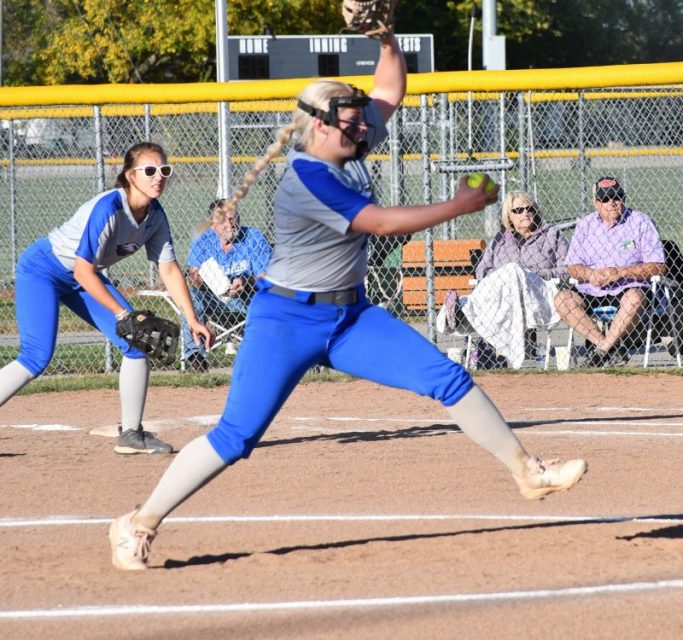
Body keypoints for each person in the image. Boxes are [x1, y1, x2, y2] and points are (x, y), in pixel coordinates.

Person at [109, 33, 586, 571]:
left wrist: (385, 38)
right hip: (286, 319)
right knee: (236, 436)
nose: (364, 126)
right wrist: (462, 202)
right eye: (352, 121)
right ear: (319, 126)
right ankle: (138, 523)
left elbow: (390, 86)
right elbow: (377, 223)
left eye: (361, 120)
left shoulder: (347, 139)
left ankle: (527, 470)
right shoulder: (305, 177)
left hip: (350, 317)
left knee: (447, 378)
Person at [0, 142, 212, 454]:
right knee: (36, 356)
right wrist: (122, 315)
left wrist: (191, 318)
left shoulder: (155, 216)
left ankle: (131, 434)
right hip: (44, 270)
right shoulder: (109, 208)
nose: (159, 177)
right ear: (130, 176)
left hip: (83, 276)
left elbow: (168, 269)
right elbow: (84, 272)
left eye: (164, 170)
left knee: (136, 344)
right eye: (150, 170)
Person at [436, 191, 569, 368]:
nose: (525, 213)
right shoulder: (500, 239)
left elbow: (567, 270)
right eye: (519, 210)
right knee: (508, 274)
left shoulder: (552, 235)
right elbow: (482, 269)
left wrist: (533, 274)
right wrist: (501, 278)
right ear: (509, 216)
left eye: (529, 208)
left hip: (537, 292)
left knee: (514, 270)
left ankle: (466, 315)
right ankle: (459, 313)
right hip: (501, 295)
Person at [554, 176, 667, 366]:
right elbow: (573, 266)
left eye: (616, 196)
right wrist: (590, 274)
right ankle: (607, 346)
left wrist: (621, 272)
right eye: (605, 199)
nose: (612, 203)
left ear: (623, 197)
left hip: (629, 286)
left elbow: (658, 265)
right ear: (596, 203)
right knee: (562, 299)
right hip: (592, 288)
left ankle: (600, 351)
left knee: (634, 299)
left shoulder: (640, 221)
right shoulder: (585, 225)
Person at [180, 201, 272, 370]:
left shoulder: (253, 237)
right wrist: (198, 278)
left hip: (248, 299)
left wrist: (246, 281)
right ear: (212, 224)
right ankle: (195, 357)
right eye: (224, 220)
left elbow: (265, 276)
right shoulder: (202, 239)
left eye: (234, 218)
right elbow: (194, 277)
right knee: (191, 296)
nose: (231, 224)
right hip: (213, 300)